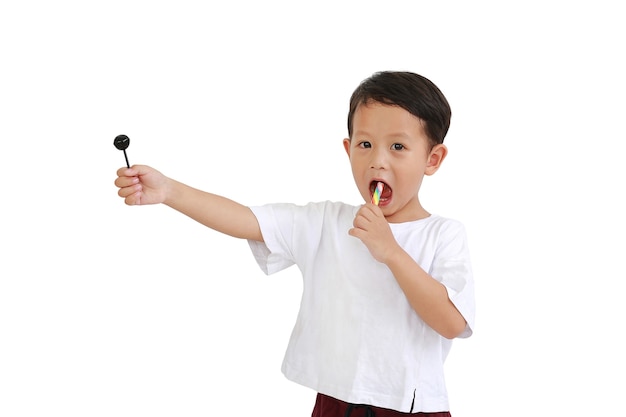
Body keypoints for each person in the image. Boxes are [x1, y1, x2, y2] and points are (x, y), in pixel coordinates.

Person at [114, 71, 475, 416]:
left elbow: (452, 323)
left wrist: (391, 252)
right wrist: (169, 191)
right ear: (348, 149)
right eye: (365, 144)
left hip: (412, 407)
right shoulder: (326, 222)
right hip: (335, 401)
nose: (377, 161)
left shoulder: (443, 234)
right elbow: (246, 219)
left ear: (433, 159)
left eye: (398, 146)